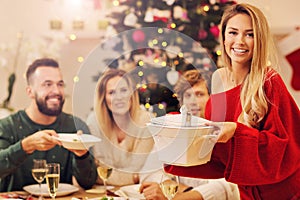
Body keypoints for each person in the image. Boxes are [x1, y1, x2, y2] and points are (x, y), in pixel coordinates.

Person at [164, 3, 300, 200]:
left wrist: (236, 131)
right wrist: (175, 144)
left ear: (259, 39)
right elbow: (221, 158)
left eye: (249, 34)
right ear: (224, 37)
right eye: (233, 33)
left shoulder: (269, 82)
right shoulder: (218, 82)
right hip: (248, 195)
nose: (240, 41)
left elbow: (285, 150)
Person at [0, 58, 98, 191]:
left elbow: (87, 183)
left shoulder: (76, 126)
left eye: (60, 84)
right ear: (30, 92)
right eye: (47, 84)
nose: (56, 91)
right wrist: (25, 146)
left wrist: (82, 156)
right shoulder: (7, 127)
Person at [140, 69, 239, 200]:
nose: (192, 101)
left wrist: (185, 196)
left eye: (199, 94)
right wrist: (177, 187)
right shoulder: (174, 131)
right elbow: (147, 172)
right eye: (188, 95)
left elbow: (229, 185)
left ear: (212, 98)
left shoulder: (223, 131)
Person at [87, 68, 158, 186]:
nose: (118, 97)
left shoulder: (146, 121)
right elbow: (95, 173)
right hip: (101, 193)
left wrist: (135, 176)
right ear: (103, 97)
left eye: (123, 90)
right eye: (111, 92)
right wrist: (133, 177)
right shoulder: (94, 121)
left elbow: (139, 170)